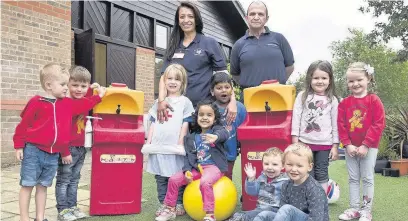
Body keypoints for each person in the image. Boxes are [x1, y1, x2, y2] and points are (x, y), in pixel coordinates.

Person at [13, 63, 106, 221]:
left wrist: (97, 95)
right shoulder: (36, 102)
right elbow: (23, 125)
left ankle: (40, 218)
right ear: (49, 85)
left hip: (52, 154)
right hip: (33, 151)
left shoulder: (67, 104)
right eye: (64, 84)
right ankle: (24, 218)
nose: (67, 88)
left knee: (43, 186)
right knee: (28, 184)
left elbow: (84, 102)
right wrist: (18, 146)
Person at [156, 1, 237, 124]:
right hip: (176, 109)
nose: (186, 20)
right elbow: (163, 77)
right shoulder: (173, 46)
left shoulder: (209, 43)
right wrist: (161, 100)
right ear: (178, 21)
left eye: (190, 16)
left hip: (202, 111)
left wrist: (233, 102)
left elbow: (223, 76)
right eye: (182, 17)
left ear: (197, 19)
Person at [155, 100, 229, 221]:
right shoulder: (191, 138)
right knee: (174, 179)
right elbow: (189, 157)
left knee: (205, 182)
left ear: (215, 119)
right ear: (197, 117)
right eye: (201, 114)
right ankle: (169, 209)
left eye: (209, 115)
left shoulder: (217, 131)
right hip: (197, 168)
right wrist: (187, 171)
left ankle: (210, 215)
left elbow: (224, 133)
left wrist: (216, 137)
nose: (205, 118)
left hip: (214, 168)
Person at [142, 64, 195, 217]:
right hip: (158, 146)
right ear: (164, 81)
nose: (173, 82)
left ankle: (178, 202)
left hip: (174, 147)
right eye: (169, 78)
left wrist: (180, 142)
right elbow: (152, 122)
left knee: (176, 176)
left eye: (177, 79)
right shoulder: (158, 102)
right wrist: (149, 142)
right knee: (160, 177)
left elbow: (185, 123)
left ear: (182, 83)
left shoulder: (185, 102)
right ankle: (164, 203)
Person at [337, 62, 385, 221]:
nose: (355, 84)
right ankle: (354, 208)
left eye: (359, 80)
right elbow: (341, 125)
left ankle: (366, 210)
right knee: (353, 178)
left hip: (369, 147)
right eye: (351, 81)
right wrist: (347, 144)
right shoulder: (344, 103)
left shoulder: (374, 100)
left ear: (368, 79)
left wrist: (365, 145)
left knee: (367, 178)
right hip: (350, 147)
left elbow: (378, 124)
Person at [55, 66, 103, 221]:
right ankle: (63, 210)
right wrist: (98, 96)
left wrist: (91, 90)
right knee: (64, 180)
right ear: (67, 85)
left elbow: (83, 99)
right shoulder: (66, 102)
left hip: (80, 147)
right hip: (67, 148)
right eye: (75, 85)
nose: (79, 89)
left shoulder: (80, 98)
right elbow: (82, 105)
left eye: (83, 86)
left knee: (75, 179)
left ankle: (72, 207)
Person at [291, 60, 339, 194]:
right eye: (316, 78)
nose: (320, 81)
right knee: (306, 172)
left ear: (330, 80)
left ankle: (321, 200)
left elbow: (335, 123)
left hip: (325, 144)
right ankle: (307, 200)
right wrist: (296, 141)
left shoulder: (332, 100)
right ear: (309, 79)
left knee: (322, 172)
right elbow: (296, 118)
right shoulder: (303, 96)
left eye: (324, 78)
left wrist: (335, 145)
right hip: (305, 143)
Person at [230, 1, 294, 92]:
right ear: (247, 18)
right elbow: (235, 75)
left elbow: (290, 67)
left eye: (260, 14)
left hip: (278, 95)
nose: (256, 17)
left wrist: (278, 83)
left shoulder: (279, 39)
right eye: (252, 14)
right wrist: (250, 86)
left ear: (266, 18)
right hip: (250, 99)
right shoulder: (238, 45)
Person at [229, 148, 289, 221]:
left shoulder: (285, 181)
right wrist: (251, 179)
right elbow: (252, 192)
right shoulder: (262, 178)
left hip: (276, 212)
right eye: (266, 164)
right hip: (260, 209)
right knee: (243, 214)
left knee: (249, 216)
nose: (270, 167)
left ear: (282, 166)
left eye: (274, 164)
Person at [273, 143, 329, 221]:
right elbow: (282, 212)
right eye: (289, 164)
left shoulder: (315, 189)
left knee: (287, 209)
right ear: (284, 164)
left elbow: (316, 218)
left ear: (309, 167)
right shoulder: (285, 185)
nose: (294, 169)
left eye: (299, 166)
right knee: (265, 215)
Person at [210, 71, 247, 179]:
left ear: (232, 90)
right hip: (213, 153)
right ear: (212, 91)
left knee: (226, 177)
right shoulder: (210, 108)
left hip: (230, 152)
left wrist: (241, 146)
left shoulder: (240, 108)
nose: (223, 90)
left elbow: (244, 128)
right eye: (219, 88)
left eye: (227, 87)